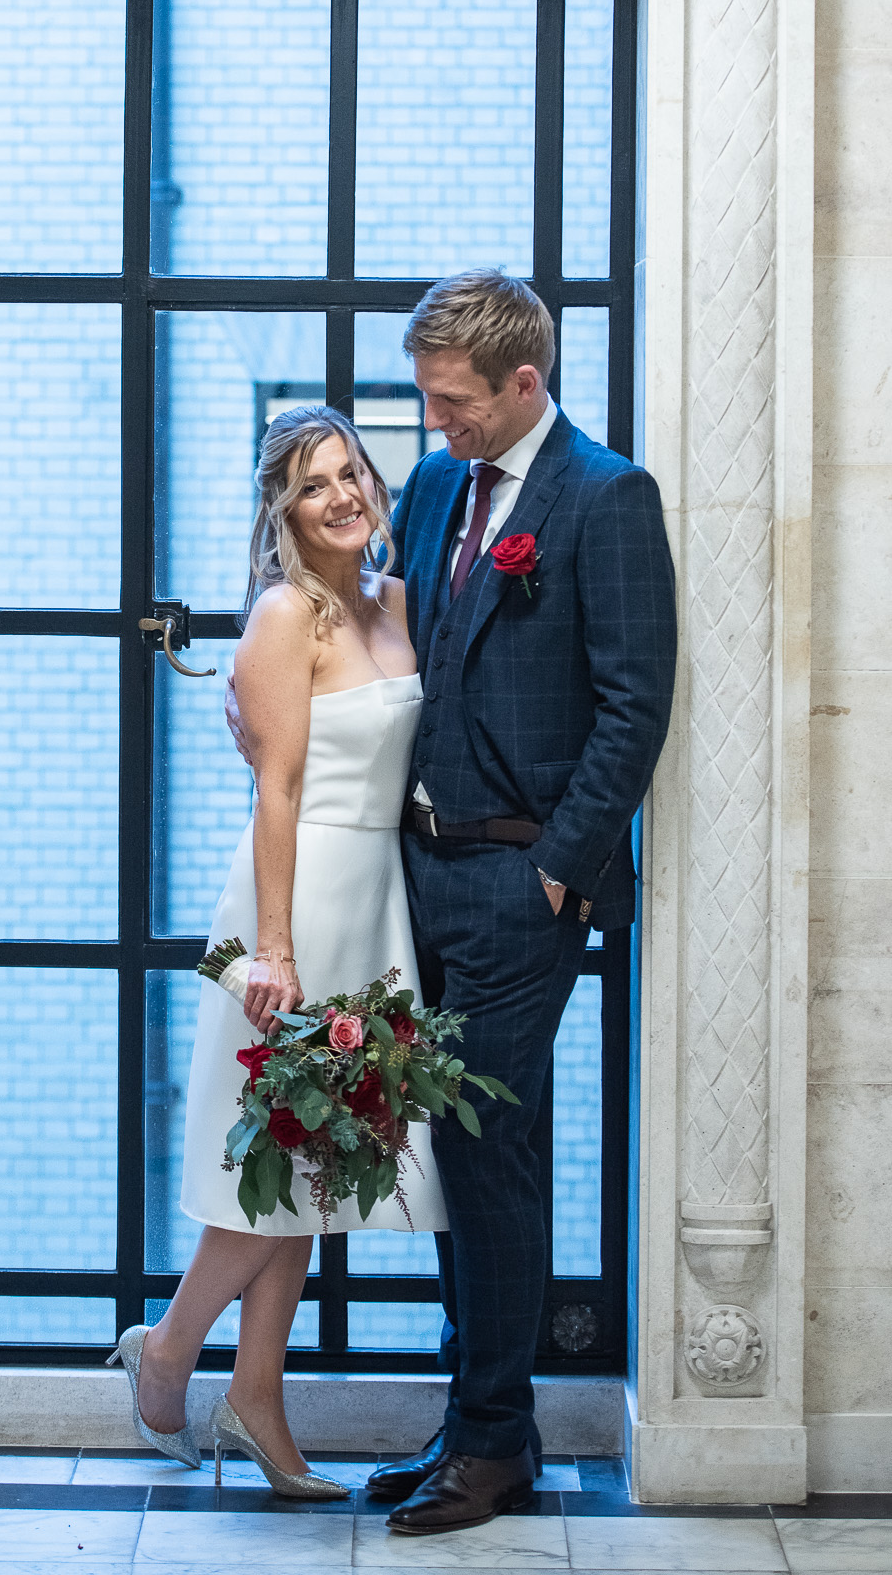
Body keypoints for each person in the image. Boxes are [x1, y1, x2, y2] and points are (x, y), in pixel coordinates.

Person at [231, 270, 675, 1536]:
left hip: (522, 881)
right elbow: (358, 636)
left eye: (455, 402)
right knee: (441, 1153)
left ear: (525, 383)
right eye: (427, 402)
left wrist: (559, 868)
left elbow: (636, 703)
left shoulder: (607, 498)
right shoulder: (431, 490)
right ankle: (474, 1424)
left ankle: (496, 1441)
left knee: (493, 1153)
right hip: (406, 879)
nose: (434, 428)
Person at [106, 405, 447, 1498]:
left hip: (377, 903)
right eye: (315, 483)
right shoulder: (281, 616)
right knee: (275, 1160)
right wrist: (279, 952)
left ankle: (255, 1396)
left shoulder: (394, 603)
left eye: (352, 472)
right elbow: (278, 791)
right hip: (291, 910)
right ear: (283, 508)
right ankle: (167, 1348)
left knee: (314, 1165)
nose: (343, 494)